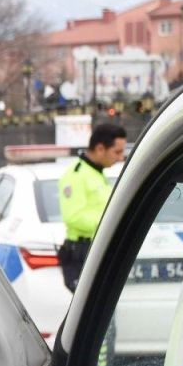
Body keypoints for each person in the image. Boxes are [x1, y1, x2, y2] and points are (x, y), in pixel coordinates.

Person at [56, 123, 127, 291]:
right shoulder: (77, 175)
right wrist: (110, 222)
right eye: (117, 152)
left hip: (97, 249)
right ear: (100, 148)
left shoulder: (97, 174)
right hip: (82, 253)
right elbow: (73, 217)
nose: (121, 157)